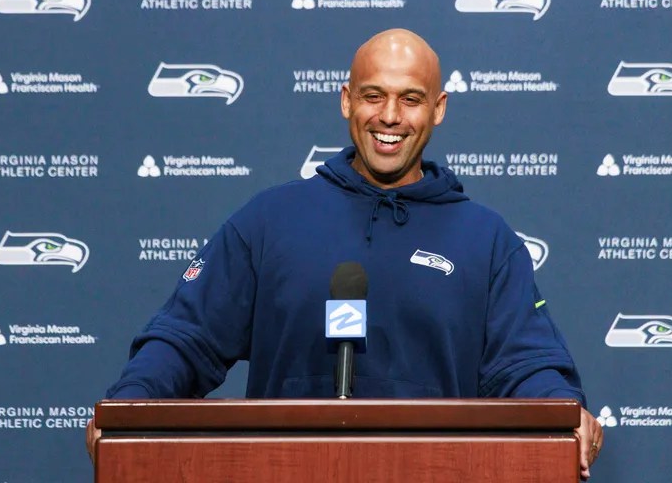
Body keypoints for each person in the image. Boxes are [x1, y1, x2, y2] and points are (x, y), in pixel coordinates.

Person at [87, 28, 603, 479]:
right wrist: (127, 406)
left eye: (411, 99)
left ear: (439, 108)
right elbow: (185, 340)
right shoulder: (269, 220)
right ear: (346, 100)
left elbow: (526, 366)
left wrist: (565, 412)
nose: (390, 117)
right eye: (373, 96)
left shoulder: (486, 240)